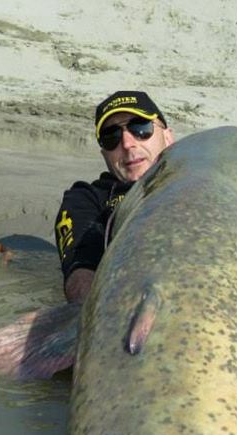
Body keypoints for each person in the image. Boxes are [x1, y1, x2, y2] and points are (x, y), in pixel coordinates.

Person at [54, 91, 175, 303]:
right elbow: (80, 272)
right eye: (112, 137)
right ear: (104, 154)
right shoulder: (86, 199)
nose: (127, 143)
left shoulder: (201, 184)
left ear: (168, 137)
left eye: (141, 128)